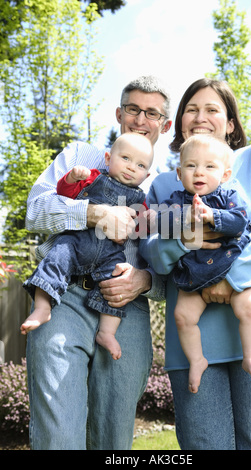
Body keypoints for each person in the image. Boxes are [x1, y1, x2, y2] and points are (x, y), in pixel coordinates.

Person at [140, 78, 251, 450]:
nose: (200, 117)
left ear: (230, 123)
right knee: (202, 443)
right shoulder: (166, 183)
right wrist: (184, 240)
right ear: (179, 123)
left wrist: (233, 280)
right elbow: (152, 249)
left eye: (212, 109)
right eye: (191, 110)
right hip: (193, 337)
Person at [25, 75, 172, 450]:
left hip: (125, 311)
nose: (141, 119)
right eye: (134, 109)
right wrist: (93, 213)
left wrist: (144, 281)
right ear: (119, 113)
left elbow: (180, 262)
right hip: (65, 297)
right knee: (58, 432)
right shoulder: (80, 157)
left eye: (151, 113)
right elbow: (35, 211)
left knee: (113, 436)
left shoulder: (167, 186)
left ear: (165, 125)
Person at [22, 133, 154, 361]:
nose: (131, 168)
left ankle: (107, 332)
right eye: (125, 158)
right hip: (76, 242)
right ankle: (43, 308)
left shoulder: (140, 199)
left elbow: (139, 231)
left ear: (147, 174)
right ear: (108, 158)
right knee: (55, 261)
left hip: (110, 253)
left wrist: (149, 221)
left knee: (114, 289)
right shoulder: (93, 177)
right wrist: (72, 179)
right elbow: (65, 195)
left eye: (140, 165)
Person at [155, 134, 251, 393]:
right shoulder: (176, 199)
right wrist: (185, 218)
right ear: (179, 172)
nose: (199, 172)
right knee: (182, 317)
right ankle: (197, 360)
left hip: (229, 268)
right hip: (194, 274)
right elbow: (161, 226)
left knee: (250, 308)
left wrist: (212, 215)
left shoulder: (228, 196)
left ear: (225, 174)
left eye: (209, 166)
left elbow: (239, 222)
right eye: (191, 166)